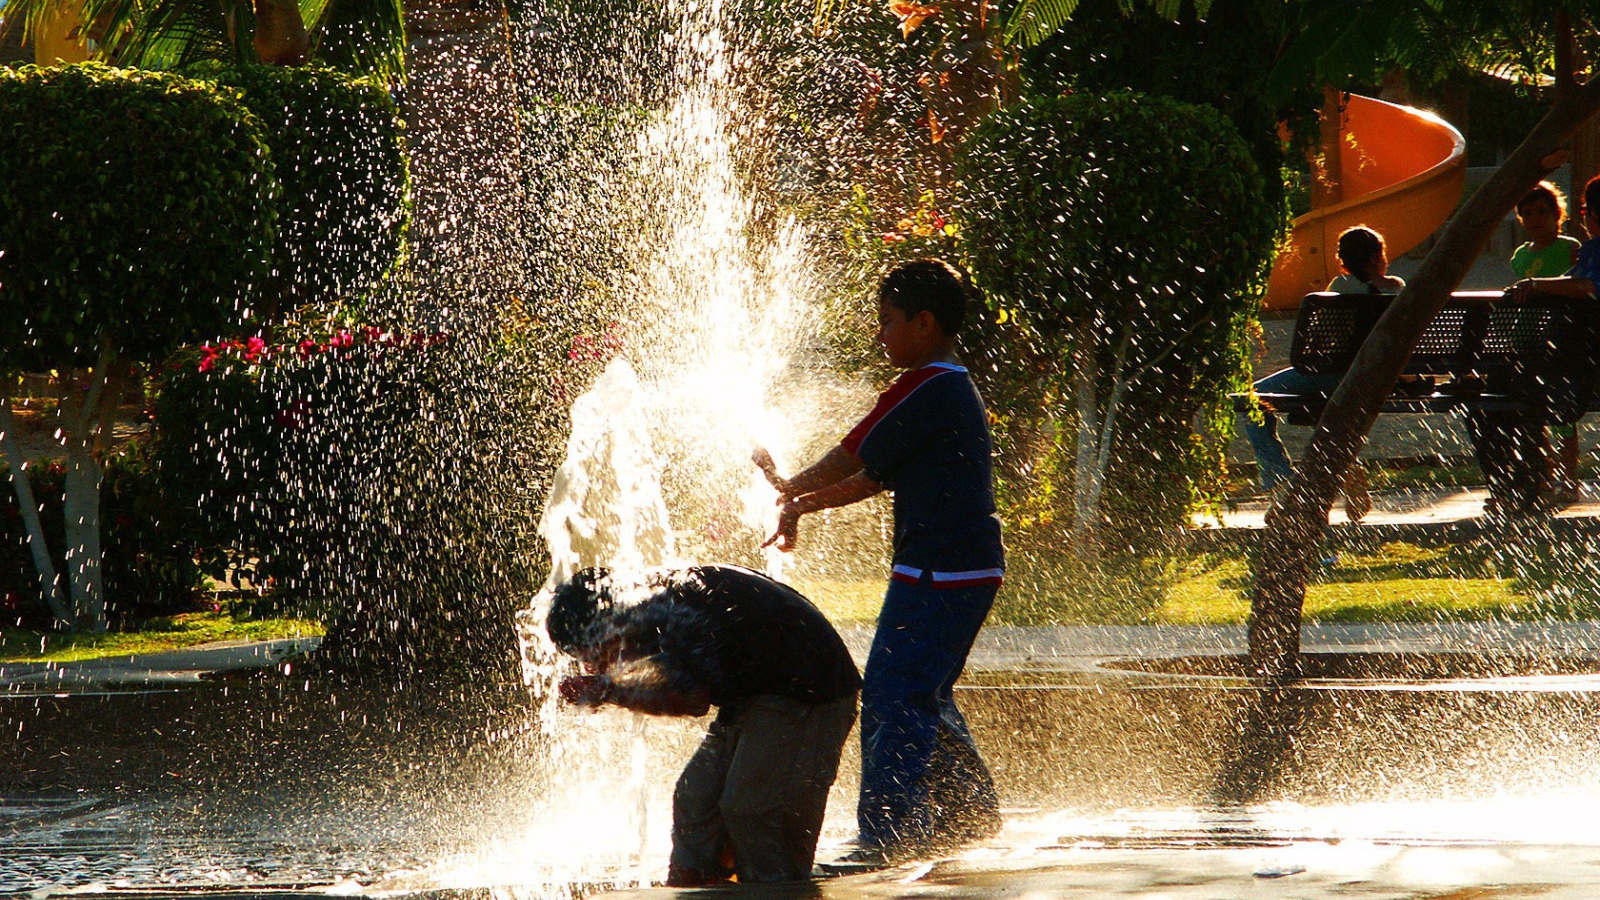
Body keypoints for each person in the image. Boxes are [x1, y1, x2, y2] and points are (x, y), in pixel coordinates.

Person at [753, 259, 1004, 865]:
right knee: (924, 691)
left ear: (924, 324)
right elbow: (873, 474)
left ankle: (888, 835)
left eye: (887, 321)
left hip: (941, 572)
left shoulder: (929, 385)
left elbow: (852, 455)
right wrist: (797, 495)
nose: (878, 334)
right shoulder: (945, 386)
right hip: (957, 567)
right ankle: (970, 812)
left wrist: (793, 490)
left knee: (896, 694)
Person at [546, 564, 860, 886]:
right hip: (758, 691)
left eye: (589, 648)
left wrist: (608, 691)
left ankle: (776, 887)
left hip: (810, 690)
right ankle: (695, 883)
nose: (590, 663)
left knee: (752, 806)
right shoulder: (647, 603)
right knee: (693, 798)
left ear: (606, 622)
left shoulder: (668, 614)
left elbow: (692, 699)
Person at [1241, 225, 1399, 520]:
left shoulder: (1341, 287)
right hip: (1376, 379)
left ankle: (1285, 490)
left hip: (1333, 374)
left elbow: (1317, 346)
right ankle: (1347, 469)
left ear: (1343, 261)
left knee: (1253, 401)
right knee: (1326, 408)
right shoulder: (1397, 288)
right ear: (1379, 257)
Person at [1508, 182, 1588, 505]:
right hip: (1527, 340)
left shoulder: (1570, 248)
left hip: (1559, 344)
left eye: (1542, 212)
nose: (1534, 219)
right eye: (1527, 213)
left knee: (1564, 420)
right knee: (1536, 415)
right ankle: (1545, 475)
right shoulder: (1520, 256)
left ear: (1558, 215)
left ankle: (1570, 478)